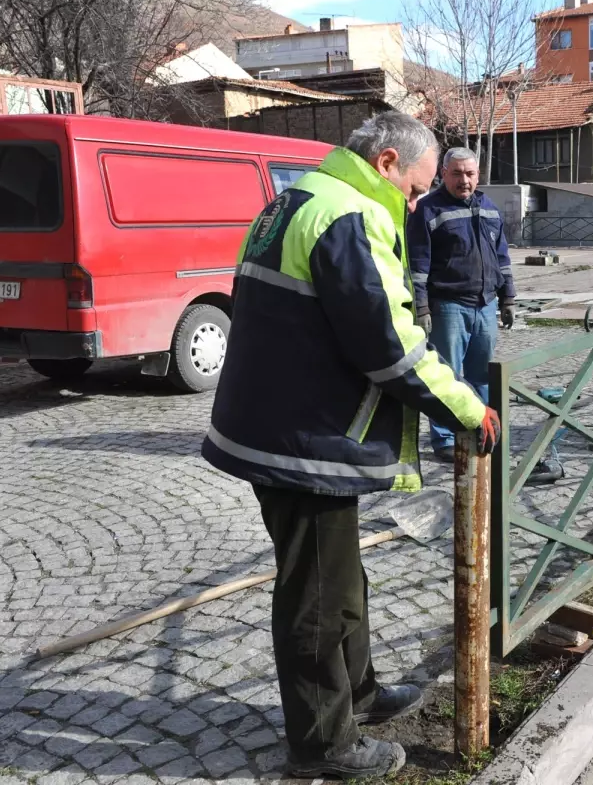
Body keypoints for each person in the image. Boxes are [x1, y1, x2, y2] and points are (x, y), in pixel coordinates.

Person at [201, 112, 500, 780]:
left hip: (286, 423)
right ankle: (321, 744)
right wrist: (465, 405)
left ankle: (358, 693)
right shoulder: (350, 214)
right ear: (387, 163)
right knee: (312, 593)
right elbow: (389, 344)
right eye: (417, 189)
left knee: (339, 576)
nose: (417, 204)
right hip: (302, 440)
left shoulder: (299, 197)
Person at [407, 147, 516, 463]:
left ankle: (480, 427)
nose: (463, 180)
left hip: (485, 305)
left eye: (469, 174)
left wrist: (508, 297)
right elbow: (418, 264)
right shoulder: (428, 210)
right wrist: (422, 307)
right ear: (444, 174)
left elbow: (502, 258)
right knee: (447, 373)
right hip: (448, 306)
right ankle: (443, 439)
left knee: (481, 374)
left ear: (478, 175)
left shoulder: (490, 208)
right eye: (456, 173)